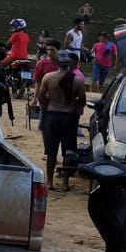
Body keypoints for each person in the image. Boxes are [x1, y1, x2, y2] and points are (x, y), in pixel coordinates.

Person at [35, 50, 87, 185]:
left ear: (57, 64)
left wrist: (51, 100)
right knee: (68, 151)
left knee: (51, 152)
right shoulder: (77, 80)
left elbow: (41, 98)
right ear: (70, 64)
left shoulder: (48, 77)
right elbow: (82, 102)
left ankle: (50, 182)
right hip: (69, 118)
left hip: (52, 117)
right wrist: (72, 101)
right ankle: (65, 183)